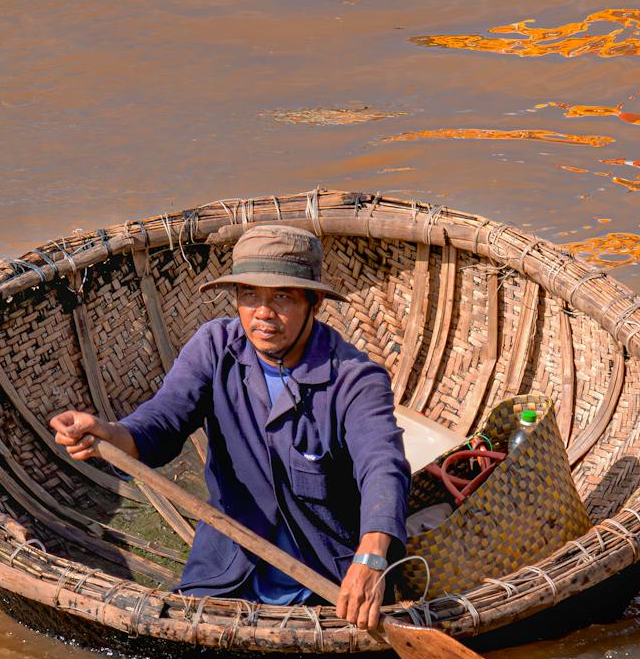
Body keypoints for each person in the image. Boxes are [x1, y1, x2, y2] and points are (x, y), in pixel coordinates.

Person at [50, 225, 410, 631]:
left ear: (316, 302)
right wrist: (109, 434)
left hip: (328, 576)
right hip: (227, 568)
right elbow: (162, 420)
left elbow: (382, 464)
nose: (262, 313)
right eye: (249, 295)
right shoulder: (215, 347)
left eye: (282, 297)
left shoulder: (355, 378)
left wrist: (371, 556)